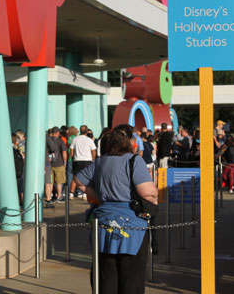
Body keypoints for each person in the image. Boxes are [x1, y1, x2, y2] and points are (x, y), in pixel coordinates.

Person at [74, 128, 158, 294]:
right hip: (132, 222)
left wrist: (100, 196)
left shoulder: (99, 162)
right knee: (131, 275)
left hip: (104, 221)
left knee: (106, 272)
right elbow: (147, 192)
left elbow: (79, 181)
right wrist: (154, 196)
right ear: (127, 144)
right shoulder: (134, 160)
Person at [69, 125, 97, 199]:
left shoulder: (75, 139)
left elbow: (72, 149)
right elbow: (93, 151)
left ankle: (71, 193)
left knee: (75, 177)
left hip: (77, 160)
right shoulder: (89, 140)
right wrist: (93, 160)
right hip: (87, 160)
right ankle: (85, 193)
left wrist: (72, 158)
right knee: (87, 177)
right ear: (87, 131)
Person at [47, 127, 68, 202]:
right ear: (58, 133)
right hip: (59, 163)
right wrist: (65, 161)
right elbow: (64, 151)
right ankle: (59, 196)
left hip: (49, 164)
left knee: (50, 182)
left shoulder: (48, 140)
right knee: (59, 182)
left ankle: (50, 196)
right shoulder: (60, 141)